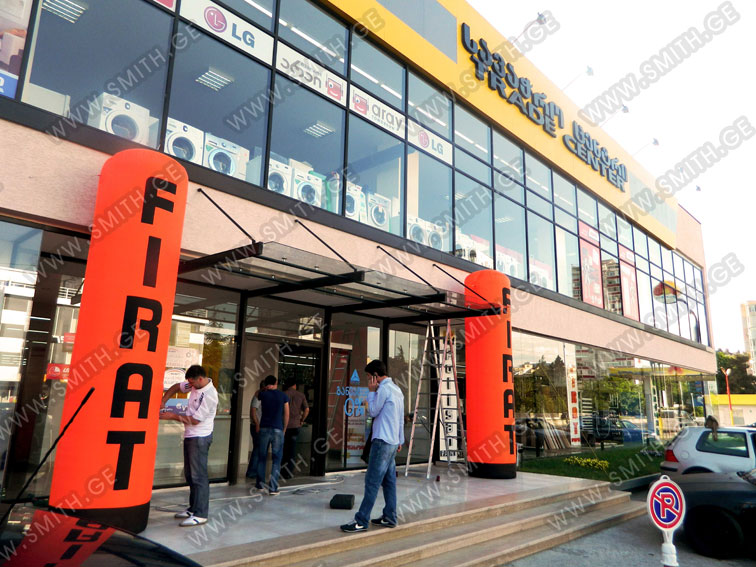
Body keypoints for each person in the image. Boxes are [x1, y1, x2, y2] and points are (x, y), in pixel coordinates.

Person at [341, 360, 404, 533]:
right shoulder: (397, 389)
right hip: (392, 442)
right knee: (389, 482)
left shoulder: (382, 389)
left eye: (369, 377)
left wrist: (370, 392)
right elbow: (400, 418)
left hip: (382, 441)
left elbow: (373, 411)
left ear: (375, 376)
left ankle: (361, 520)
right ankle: (390, 516)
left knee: (372, 482)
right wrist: (400, 440)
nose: (368, 380)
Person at [159, 365, 218, 527]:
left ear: (200, 379)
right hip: (190, 435)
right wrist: (164, 400)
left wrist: (171, 416)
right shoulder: (194, 385)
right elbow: (176, 387)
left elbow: (195, 420)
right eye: (189, 383)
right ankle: (193, 509)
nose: (189, 386)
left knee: (199, 476)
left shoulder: (210, 395)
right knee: (190, 475)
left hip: (200, 437)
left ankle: (201, 514)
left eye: (192, 383)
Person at [257, 375, 289, 495]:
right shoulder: (283, 396)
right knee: (276, 459)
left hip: (264, 428)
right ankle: (273, 488)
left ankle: (259, 484)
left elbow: (256, 394)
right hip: (277, 428)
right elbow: (286, 414)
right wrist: (284, 428)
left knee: (262, 457)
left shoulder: (263, 394)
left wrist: (264, 388)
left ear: (266, 383)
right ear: (276, 383)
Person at [281, 379, 309, 479]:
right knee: (292, 450)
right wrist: (302, 420)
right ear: (295, 385)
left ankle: (282, 470)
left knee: (283, 449)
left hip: (284, 425)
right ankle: (289, 471)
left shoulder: (283, 394)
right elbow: (307, 409)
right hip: (295, 425)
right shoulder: (301, 395)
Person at [245, 383, 263, 487]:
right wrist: (257, 424)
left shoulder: (260, 396)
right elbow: (253, 411)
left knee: (258, 448)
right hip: (257, 426)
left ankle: (254, 470)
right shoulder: (258, 396)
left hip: (258, 425)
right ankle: (252, 471)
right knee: (258, 449)